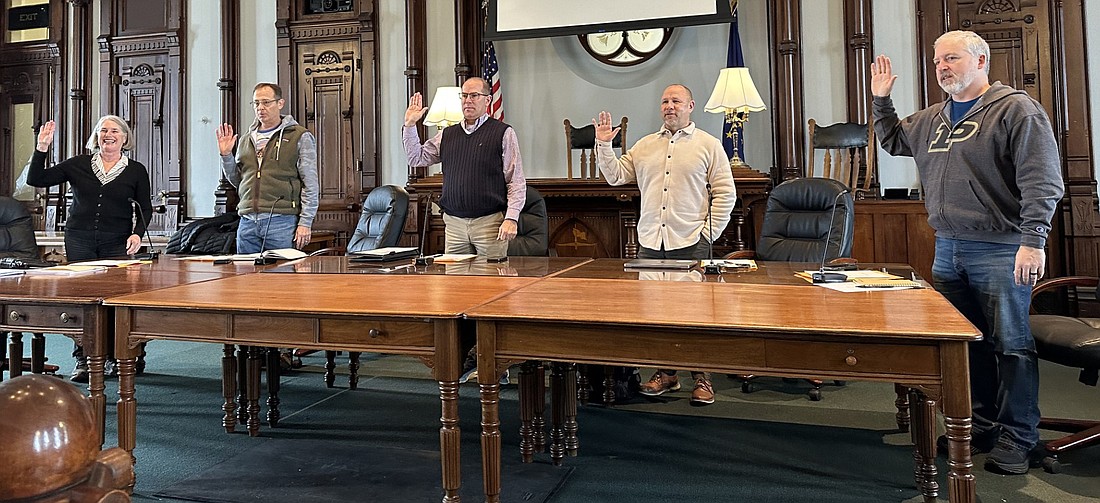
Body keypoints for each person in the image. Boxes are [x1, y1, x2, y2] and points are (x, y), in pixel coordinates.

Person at [871, 30, 1064, 474]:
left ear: (981, 60)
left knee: (1011, 346)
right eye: (938, 60)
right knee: (967, 345)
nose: (942, 66)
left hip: (1001, 248)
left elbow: (1044, 181)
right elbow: (894, 141)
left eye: (952, 58)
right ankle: (980, 427)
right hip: (948, 249)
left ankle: (1019, 437)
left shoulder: (1016, 109)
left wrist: (1033, 241)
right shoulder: (933, 118)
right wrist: (882, 99)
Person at [593, 84, 737, 405]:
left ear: (691, 105)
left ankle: (702, 377)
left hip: (690, 244)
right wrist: (604, 144)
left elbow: (726, 193)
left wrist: (707, 236)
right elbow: (616, 176)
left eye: (676, 101)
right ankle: (666, 373)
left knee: (695, 316)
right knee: (657, 315)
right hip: (650, 245)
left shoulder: (708, 145)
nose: (669, 106)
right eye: (665, 101)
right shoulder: (645, 146)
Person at [27, 116, 153, 383]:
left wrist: (137, 234)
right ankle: (84, 359)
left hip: (116, 241)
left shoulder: (136, 170)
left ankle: (121, 357)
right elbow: (36, 178)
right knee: (83, 302)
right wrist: (41, 147)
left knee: (115, 301)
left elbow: (145, 207)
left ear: (124, 137)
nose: (108, 134)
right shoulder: (79, 164)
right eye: (103, 130)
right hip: (80, 239)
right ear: (96, 136)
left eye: (114, 131)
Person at [402, 77, 527, 259]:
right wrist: (410, 125)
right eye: (464, 95)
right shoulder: (447, 134)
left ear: (488, 100)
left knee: (492, 284)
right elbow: (416, 158)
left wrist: (511, 218)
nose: (468, 100)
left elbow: (515, 181)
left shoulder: (503, 133)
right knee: (455, 284)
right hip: (454, 226)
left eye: (474, 95)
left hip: (490, 224)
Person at [216, 82, 319, 254]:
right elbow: (239, 181)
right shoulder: (246, 139)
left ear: (280, 103)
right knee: (246, 278)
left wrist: (305, 223)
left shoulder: (299, 136)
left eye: (266, 102)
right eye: (256, 103)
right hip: (247, 222)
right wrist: (226, 156)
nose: (260, 108)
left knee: (281, 278)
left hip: (281, 221)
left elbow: (310, 183)